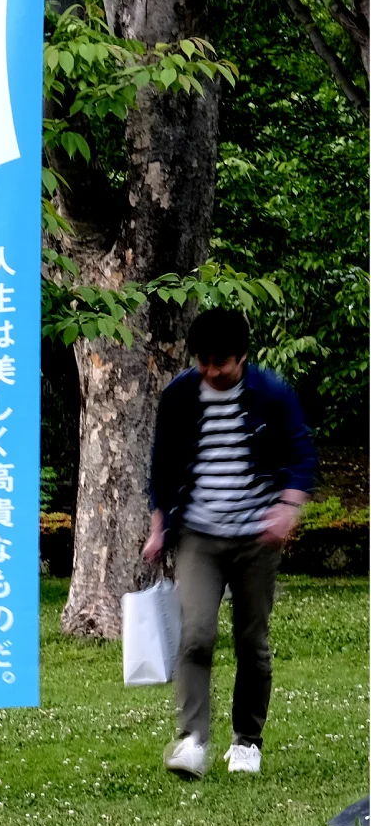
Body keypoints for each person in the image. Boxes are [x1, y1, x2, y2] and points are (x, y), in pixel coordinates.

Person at [143, 308, 317, 779]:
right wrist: (159, 526)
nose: (211, 372)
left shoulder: (271, 393)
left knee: (251, 641)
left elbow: (302, 453)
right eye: (203, 362)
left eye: (221, 363)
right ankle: (192, 740)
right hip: (198, 535)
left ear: (242, 358)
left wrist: (288, 507)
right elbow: (162, 466)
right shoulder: (180, 395)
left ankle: (247, 742)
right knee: (196, 635)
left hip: (256, 538)